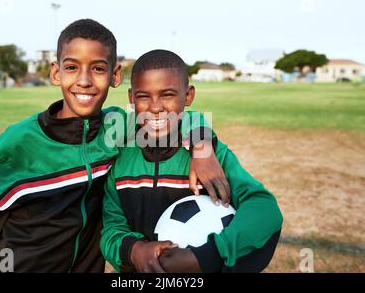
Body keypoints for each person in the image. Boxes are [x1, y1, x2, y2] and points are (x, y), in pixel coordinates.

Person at [0, 20, 228, 273]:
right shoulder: (17, 144)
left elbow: (181, 117)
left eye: (97, 68)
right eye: (71, 67)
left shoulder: (118, 128)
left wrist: (202, 149)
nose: (84, 80)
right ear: (56, 73)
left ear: (115, 75)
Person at [100, 50, 283, 273]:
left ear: (188, 96)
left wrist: (208, 255)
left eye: (167, 94)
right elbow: (111, 229)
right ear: (131, 97)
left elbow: (264, 209)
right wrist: (135, 250)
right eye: (143, 96)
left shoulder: (212, 155)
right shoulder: (121, 156)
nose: (155, 107)